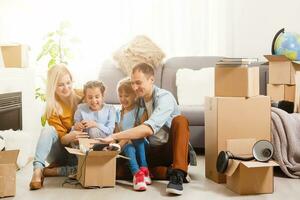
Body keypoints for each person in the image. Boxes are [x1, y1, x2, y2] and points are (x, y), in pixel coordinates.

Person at [99, 63, 190, 195]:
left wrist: (114, 136)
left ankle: (177, 174)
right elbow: (134, 131)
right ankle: (167, 172)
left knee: (180, 121)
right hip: (150, 151)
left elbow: (148, 129)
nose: (135, 87)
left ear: (151, 80)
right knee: (119, 172)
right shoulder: (138, 102)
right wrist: (117, 145)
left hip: (170, 150)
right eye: (132, 83)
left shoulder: (164, 97)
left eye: (138, 83)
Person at [29, 64, 88, 190]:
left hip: (79, 149)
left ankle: (53, 171)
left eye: (68, 82)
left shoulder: (82, 95)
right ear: (53, 86)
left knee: (85, 168)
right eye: (60, 85)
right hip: (61, 150)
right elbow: (62, 140)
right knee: (48, 130)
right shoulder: (52, 107)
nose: (66, 88)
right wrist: (71, 135)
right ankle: (38, 171)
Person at [115, 77, 151, 191]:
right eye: (120, 96)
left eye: (126, 96)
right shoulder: (117, 114)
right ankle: (137, 175)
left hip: (141, 145)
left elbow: (143, 132)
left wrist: (127, 139)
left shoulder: (140, 111)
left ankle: (144, 168)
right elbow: (117, 133)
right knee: (129, 146)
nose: (123, 99)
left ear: (135, 95)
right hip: (125, 146)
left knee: (137, 138)